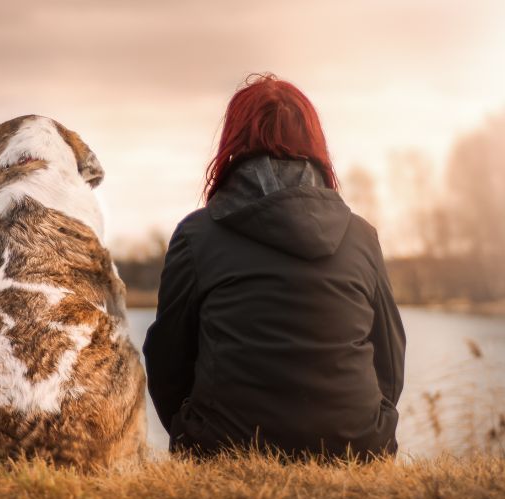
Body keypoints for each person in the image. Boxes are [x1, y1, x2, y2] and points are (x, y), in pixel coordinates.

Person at [143, 73, 405, 460]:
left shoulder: (197, 236)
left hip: (224, 447)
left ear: (233, 142)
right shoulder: (361, 236)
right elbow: (390, 357)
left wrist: (192, 431)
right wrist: (369, 425)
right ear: (314, 143)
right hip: (357, 447)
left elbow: (167, 359)